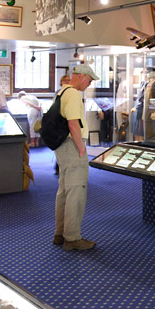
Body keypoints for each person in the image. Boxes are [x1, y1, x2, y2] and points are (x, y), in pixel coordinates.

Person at [54, 64, 100, 252]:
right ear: (81, 77)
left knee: (65, 190)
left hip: (63, 147)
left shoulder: (62, 92)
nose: (89, 84)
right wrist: (82, 149)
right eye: (89, 80)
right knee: (76, 191)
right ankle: (72, 238)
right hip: (72, 146)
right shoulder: (73, 94)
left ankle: (61, 233)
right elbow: (73, 124)